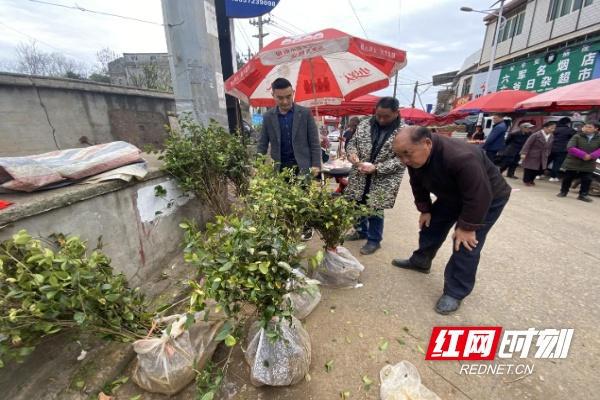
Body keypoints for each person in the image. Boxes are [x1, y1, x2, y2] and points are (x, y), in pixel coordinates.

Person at [391, 126, 511, 315]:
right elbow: (417, 183)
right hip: (453, 195)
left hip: (487, 197)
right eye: (399, 156)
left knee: (464, 243)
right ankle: (421, 261)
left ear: (427, 143)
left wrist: (467, 227)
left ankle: (455, 291)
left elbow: (480, 195)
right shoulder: (414, 159)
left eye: (407, 154)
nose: (404, 160)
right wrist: (425, 209)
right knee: (431, 225)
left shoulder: (461, 157)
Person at [257, 77, 321, 239]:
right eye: (280, 97)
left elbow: (314, 142)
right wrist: (257, 165)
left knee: (303, 199)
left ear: (293, 93)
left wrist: (316, 164)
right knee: (283, 200)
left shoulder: (304, 113)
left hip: (303, 167)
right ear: (273, 95)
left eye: (288, 96)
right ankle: (288, 227)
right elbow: (262, 143)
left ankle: (306, 227)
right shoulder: (268, 117)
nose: (285, 101)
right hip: (281, 169)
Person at [344, 97, 406, 255]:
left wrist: (377, 168)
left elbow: (403, 159)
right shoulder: (364, 124)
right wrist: (352, 154)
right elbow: (352, 143)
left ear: (396, 113)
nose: (381, 119)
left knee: (375, 208)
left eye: (386, 116)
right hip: (360, 173)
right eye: (378, 115)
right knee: (357, 203)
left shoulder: (404, 131)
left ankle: (374, 240)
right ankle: (360, 231)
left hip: (383, 178)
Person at [557, 121, 600, 202]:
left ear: (596, 129)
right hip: (573, 161)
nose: (587, 128)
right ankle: (563, 192)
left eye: (590, 127)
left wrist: (591, 156)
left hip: (589, 163)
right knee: (568, 178)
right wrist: (584, 155)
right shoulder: (577, 136)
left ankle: (583, 195)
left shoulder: (599, 138)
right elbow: (570, 147)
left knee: (587, 179)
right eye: (586, 126)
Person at [520, 121, 556, 186]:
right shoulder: (536, 135)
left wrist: (548, 153)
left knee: (538, 168)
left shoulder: (551, 136)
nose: (553, 130)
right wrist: (524, 153)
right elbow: (527, 144)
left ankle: (531, 180)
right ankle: (526, 180)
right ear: (545, 128)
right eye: (551, 128)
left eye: (554, 128)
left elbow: (550, 146)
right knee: (529, 168)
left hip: (543, 155)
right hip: (533, 154)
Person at [547, 117, 576, 182]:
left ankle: (538, 174)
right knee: (557, 163)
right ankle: (553, 177)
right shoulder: (570, 130)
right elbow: (575, 137)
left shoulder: (555, 129)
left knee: (546, 161)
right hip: (562, 149)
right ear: (568, 123)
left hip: (551, 148)